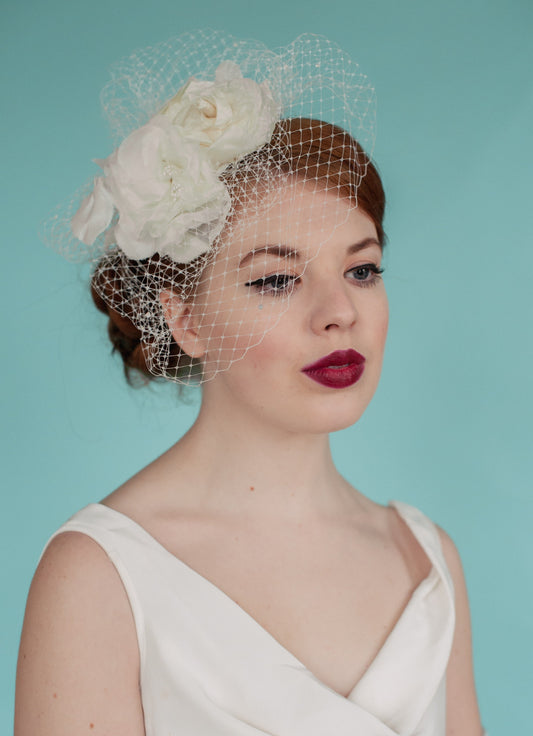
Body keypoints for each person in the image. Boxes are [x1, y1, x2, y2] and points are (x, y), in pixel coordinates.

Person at [15, 32, 485, 736]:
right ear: (185, 319)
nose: (339, 314)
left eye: (361, 269)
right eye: (275, 279)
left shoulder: (426, 557)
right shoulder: (99, 576)